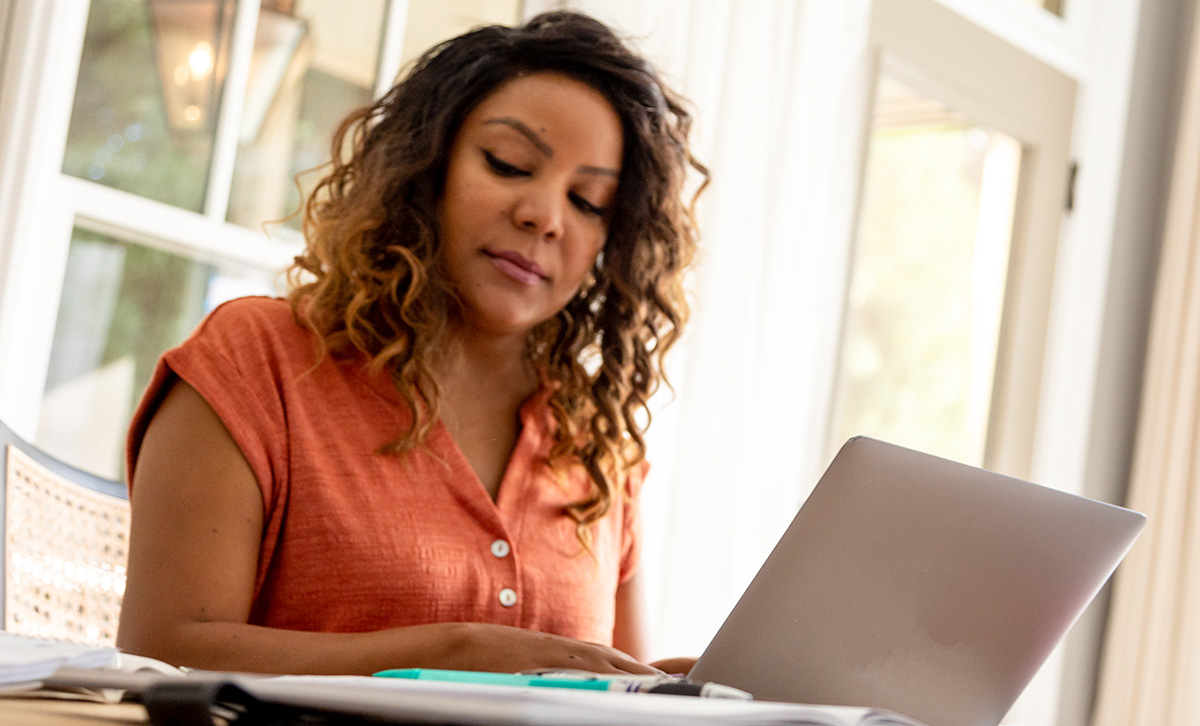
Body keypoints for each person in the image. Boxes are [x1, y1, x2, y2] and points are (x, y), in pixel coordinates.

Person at [117, 10, 706, 677]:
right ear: (427, 166)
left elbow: (609, 674)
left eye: (591, 202)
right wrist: (459, 654)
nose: (545, 215)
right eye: (509, 164)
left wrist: (672, 690)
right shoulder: (256, 361)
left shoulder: (598, 446)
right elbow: (162, 650)